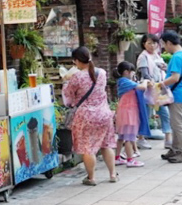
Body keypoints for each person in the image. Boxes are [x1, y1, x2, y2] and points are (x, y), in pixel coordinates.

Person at [63, 46, 117, 185]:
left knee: (88, 147)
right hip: (104, 114)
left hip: (86, 116)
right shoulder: (102, 73)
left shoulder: (77, 77)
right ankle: (112, 174)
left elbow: (68, 98)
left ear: (76, 61)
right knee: (106, 145)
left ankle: (91, 178)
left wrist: (66, 80)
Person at [160, 31, 182, 163]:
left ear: (169, 42)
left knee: (178, 124)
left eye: (164, 44)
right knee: (175, 123)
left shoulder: (177, 57)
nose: (164, 47)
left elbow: (175, 78)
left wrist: (160, 84)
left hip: (177, 95)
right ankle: (175, 149)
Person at [136, 33, 171, 151]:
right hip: (148, 88)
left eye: (154, 43)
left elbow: (161, 70)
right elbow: (144, 73)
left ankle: (168, 138)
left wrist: (164, 68)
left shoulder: (157, 55)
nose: (152, 45)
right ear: (144, 44)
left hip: (158, 88)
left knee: (164, 112)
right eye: (149, 43)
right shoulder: (143, 57)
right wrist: (152, 83)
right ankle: (141, 138)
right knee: (146, 113)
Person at [114, 61, 149, 168]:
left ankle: (117, 158)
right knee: (129, 137)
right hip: (129, 112)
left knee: (121, 136)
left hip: (124, 111)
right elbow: (142, 87)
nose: (133, 74)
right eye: (132, 72)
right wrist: (146, 81)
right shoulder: (125, 81)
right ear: (126, 72)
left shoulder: (122, 81)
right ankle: (130, 160)